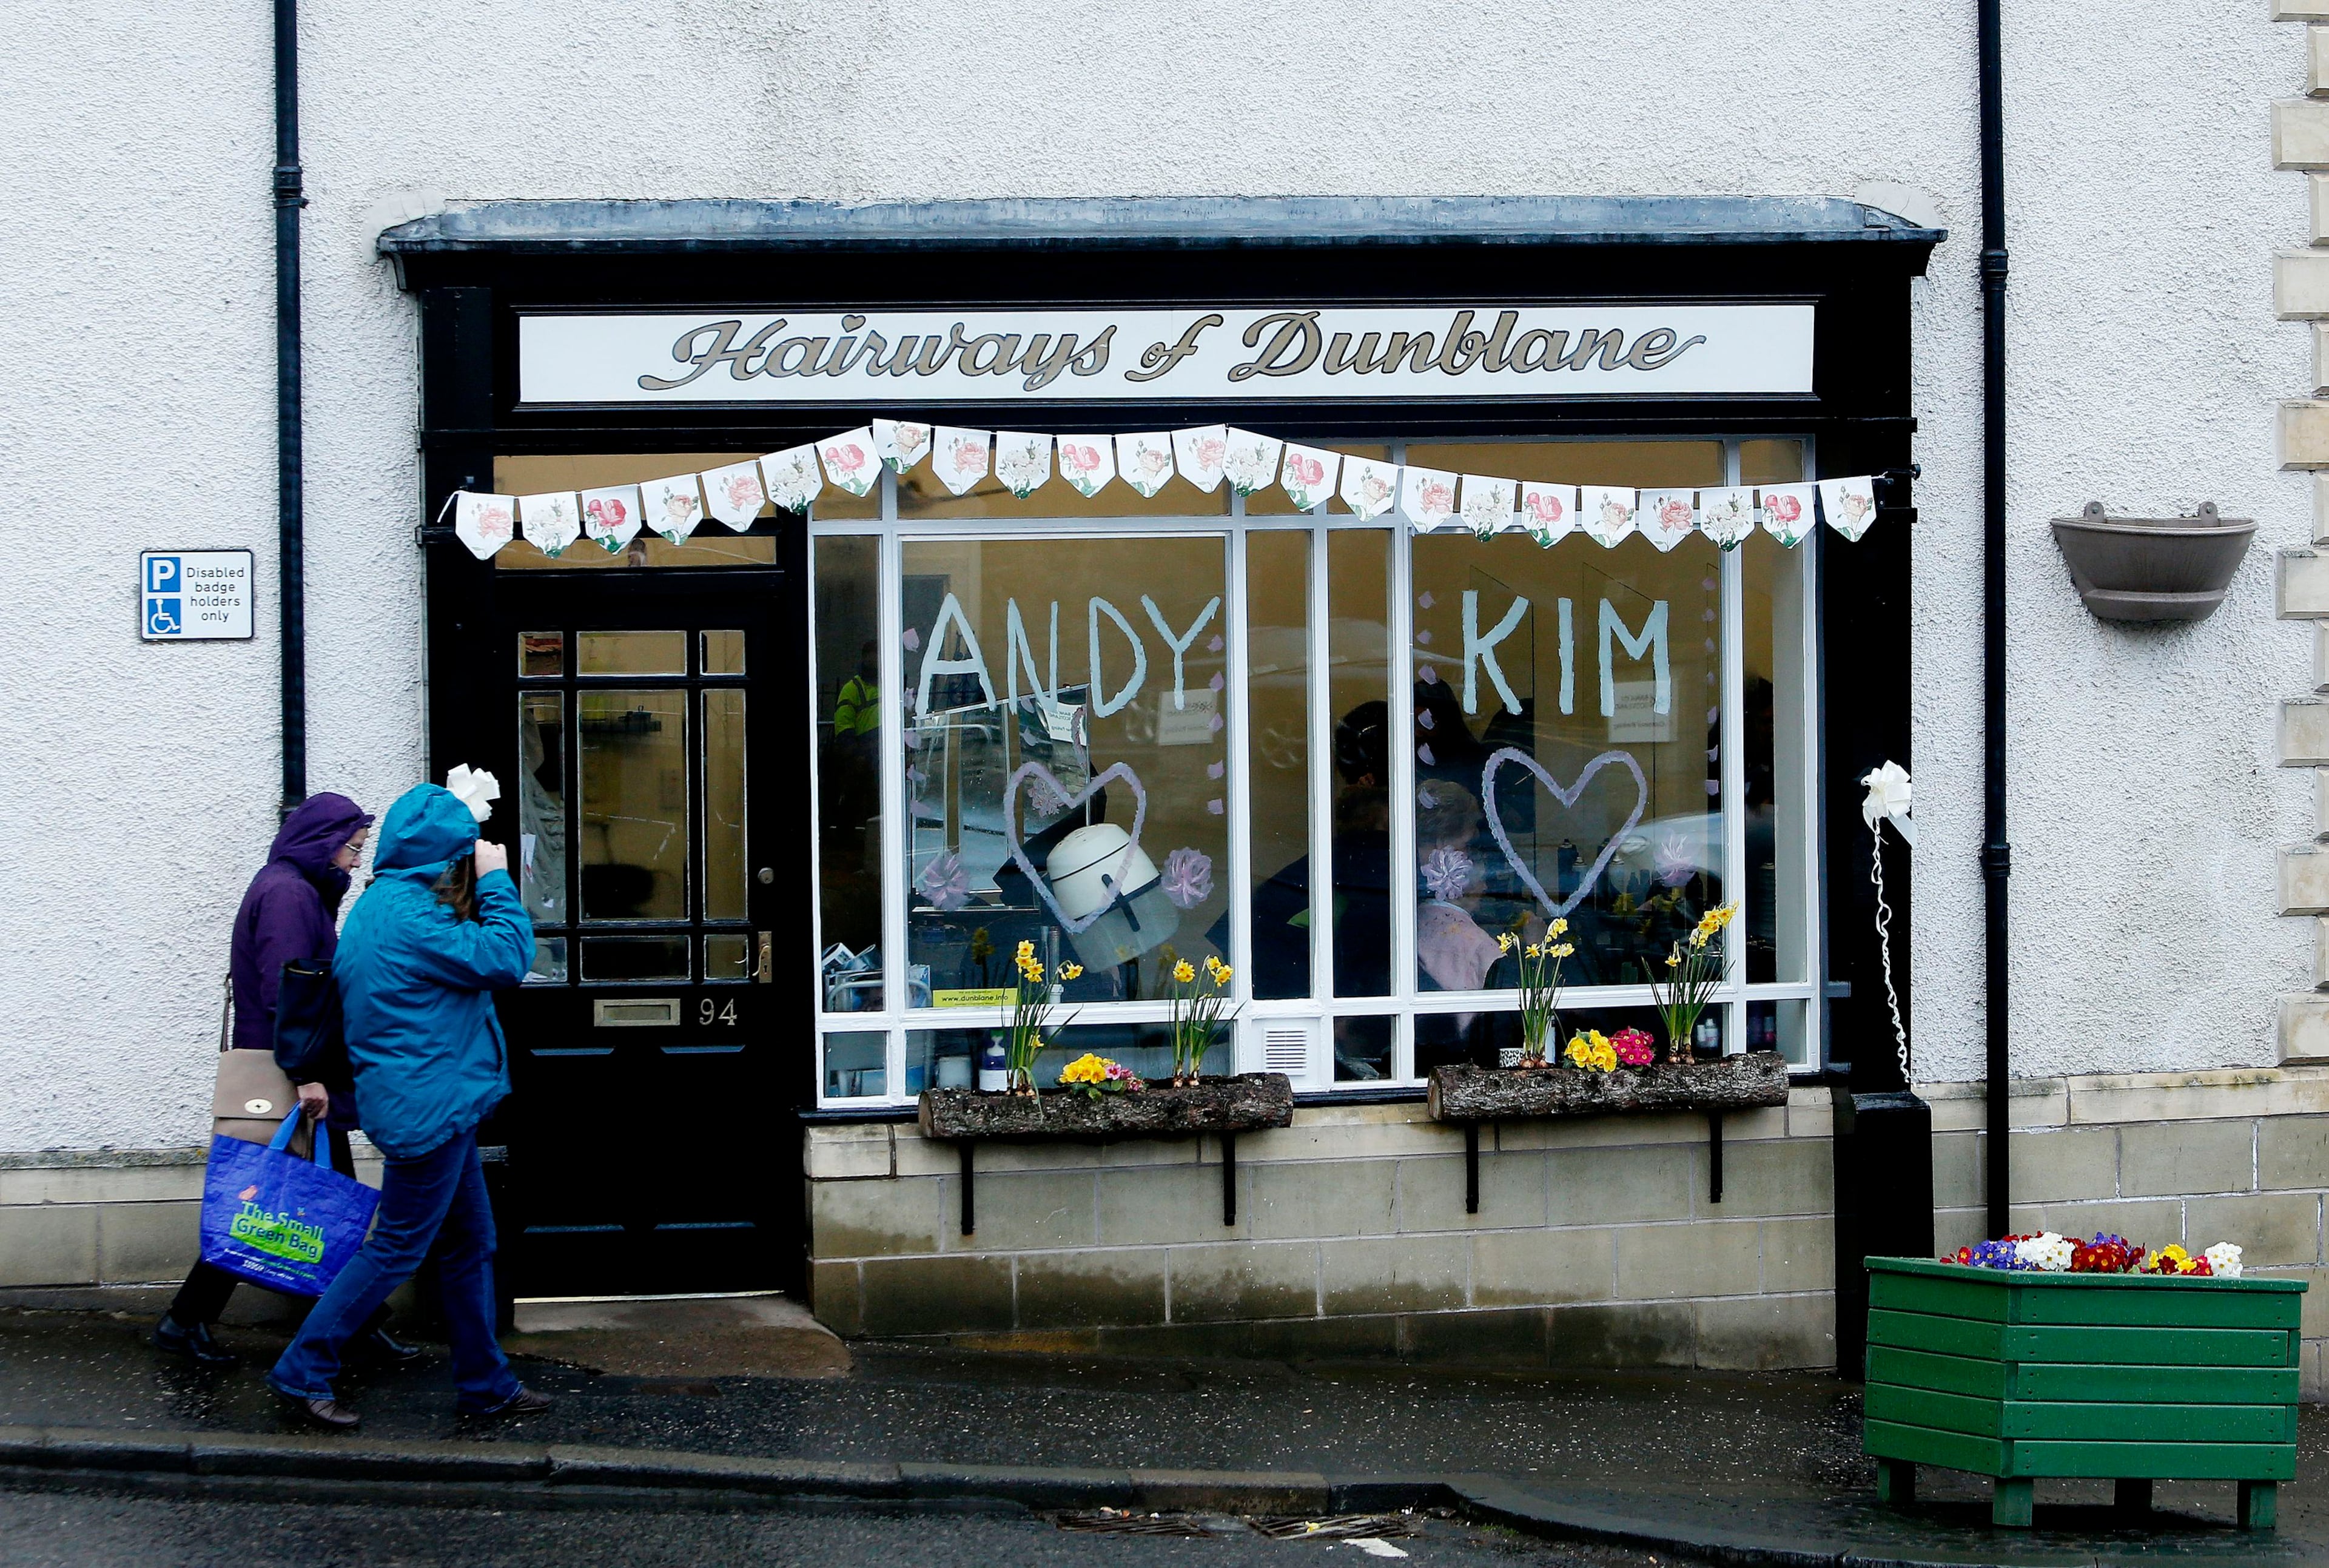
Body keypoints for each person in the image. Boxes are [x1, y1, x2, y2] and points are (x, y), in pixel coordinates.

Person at [267, 781, 546, 1429]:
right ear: (442, 857)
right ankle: (302, 1368)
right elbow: (506, 957)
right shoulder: (413, 917)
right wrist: (498, 880)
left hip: (430, 1103)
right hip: (427, 1110)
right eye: (459, 857)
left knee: (471, 1242)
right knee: (394, 1247)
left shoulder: (380, 906)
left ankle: (485, 1382)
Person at [155, 793, 420, 1371]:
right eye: (352, 848)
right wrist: (306, 1076)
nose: (355, 861)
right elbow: (290, 992)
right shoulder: (289, 894)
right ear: (322, 843)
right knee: (275, 1202)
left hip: (292, 1070)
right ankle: (190, 1320)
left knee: (292, 1200)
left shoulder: (290, 888)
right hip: (292, 1076)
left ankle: (349, 1324)